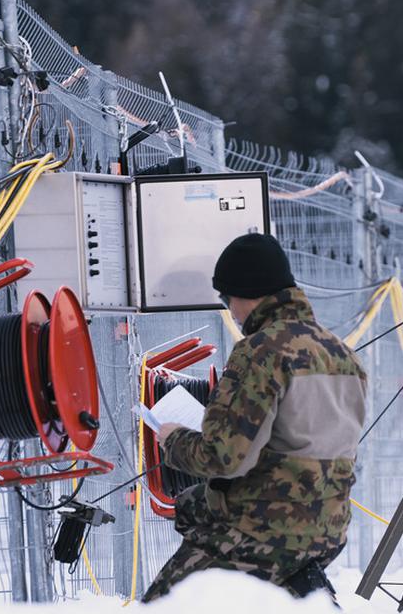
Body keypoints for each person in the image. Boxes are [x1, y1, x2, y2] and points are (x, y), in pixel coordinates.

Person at [143, 233, 368, 602]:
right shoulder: (342, 354)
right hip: (329, 528)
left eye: (226, 297)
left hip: (265, 531)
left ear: (247, 294)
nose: (229, 309)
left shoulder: (261, 351)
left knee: (165, 603)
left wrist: (173, 439)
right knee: (190, 506)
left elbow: (224, 458)